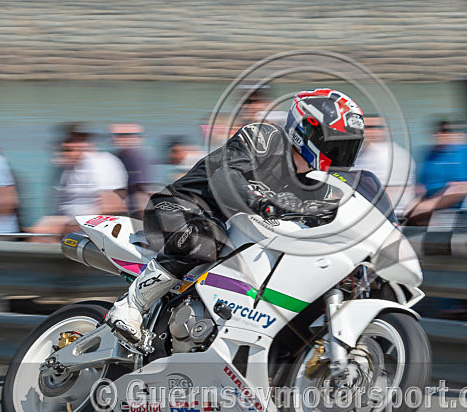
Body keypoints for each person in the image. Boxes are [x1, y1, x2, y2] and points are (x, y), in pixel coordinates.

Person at [106, 89, 365, 345]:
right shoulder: (264, 138)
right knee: (206, 238)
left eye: (348, 146)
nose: (342, 153)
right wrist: (261, 203)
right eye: (337, 144)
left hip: (232, 233)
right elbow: (225, 177)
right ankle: (130, 306)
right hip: (180, 208)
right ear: (308, 131)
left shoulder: (315, 183)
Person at [29, 126, 128, 237]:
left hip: (96, 233)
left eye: (77, 141)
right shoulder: (63, 168)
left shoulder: (102, 163)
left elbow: (112, 206)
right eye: (67, 141)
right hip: (67, 230)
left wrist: (67, 226)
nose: (67, 145)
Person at [407, 120, 467, 225]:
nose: (440, 134)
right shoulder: (430, 154)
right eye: (438, 131)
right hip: (429, 203)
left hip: (459, 203)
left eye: (445, 131)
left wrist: (430, 205)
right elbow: (421, 187)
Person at [354, 114, 416, 218]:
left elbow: (389, 194)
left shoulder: (393, 156)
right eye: (363, 127)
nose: (366, 131)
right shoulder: (360, 153)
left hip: (392, 215)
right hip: (367, 209)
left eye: (373, 128)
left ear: (386, 130)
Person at [111, 123, 154, 216]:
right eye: (116, 135)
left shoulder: (135, 156)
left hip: (136, 201)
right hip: (127, 200)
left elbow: (140, 186)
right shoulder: (120, 154)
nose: (116, 138)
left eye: (122, 136)